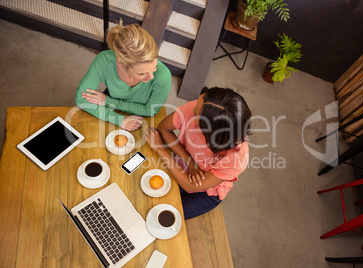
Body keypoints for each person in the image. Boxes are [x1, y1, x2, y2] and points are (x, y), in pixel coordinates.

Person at [145, 87, 252, 219]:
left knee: (160, 215)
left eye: (195, 115)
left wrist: (160, 149)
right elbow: (164, 129)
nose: (191, 110)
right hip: (184, 164)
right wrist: (190, 163)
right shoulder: (201, 106)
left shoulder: (237, 158)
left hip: (206, 192)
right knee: (148, 202)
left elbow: (189, 186)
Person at [75, 21, 171, 131]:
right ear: (120, 63)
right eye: (141, 73)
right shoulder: (104, 60)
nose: (151, 77)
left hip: (127, 108)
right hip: (111, 105)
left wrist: (109, 102)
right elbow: (80, 99)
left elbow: (150, 111)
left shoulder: (163, 76)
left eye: (154, 67)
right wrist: (119, 120)